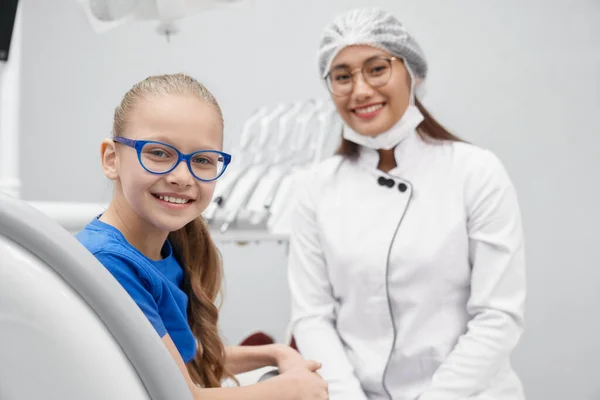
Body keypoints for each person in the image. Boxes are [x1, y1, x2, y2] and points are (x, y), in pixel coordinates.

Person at [287, 7, 526, 400]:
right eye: (342, 76)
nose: (360, 90)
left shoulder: (475, 172)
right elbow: (313, 317)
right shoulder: (315, 188)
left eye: (377, 68)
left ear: (411, 73)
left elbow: (498, 316)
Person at [76, 73, 328, 400]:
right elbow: (180, 395)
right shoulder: (110, 264)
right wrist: (290, 389)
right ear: (112, 159)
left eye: (202, 160)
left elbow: (184, 357)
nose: (182, 177)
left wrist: (275, 353)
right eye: (158, 153)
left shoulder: (165, 253)